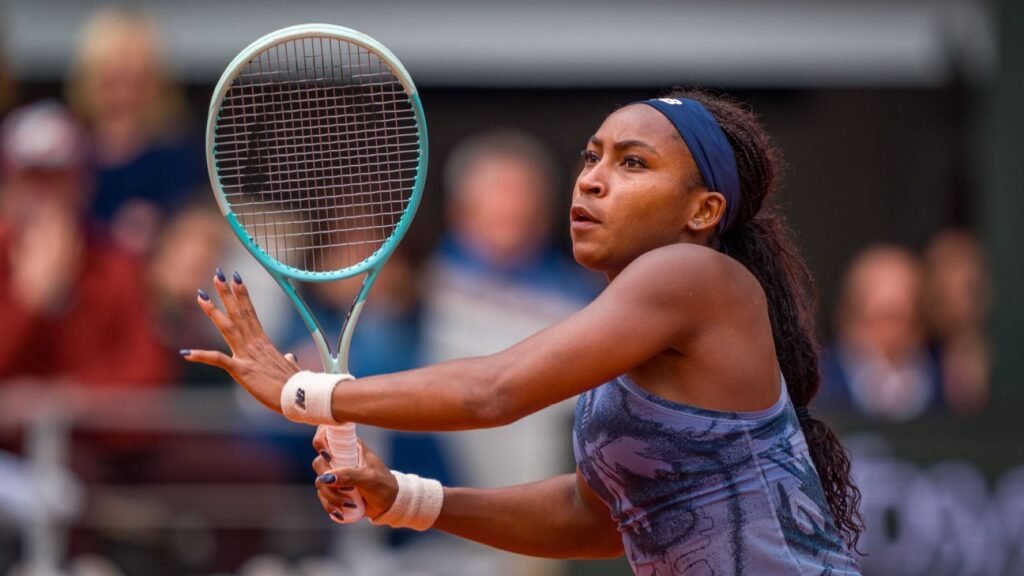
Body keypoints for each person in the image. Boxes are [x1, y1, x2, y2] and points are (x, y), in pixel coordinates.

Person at [184, 90, 864, 574]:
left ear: (703, 211)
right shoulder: (634, 327)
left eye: (632, 163)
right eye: (591, 156)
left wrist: (305, 392)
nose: (593, 180)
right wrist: (410, 499)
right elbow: (590, 516)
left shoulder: (692, 277)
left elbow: (495, 390)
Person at [65, 6, 205, 255]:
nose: (124, 94)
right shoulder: (68, 148)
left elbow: (195, 217)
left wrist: (164, 228)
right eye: (113, 79)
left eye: (135, 81)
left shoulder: (176, 151)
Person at [819, 246, 942, 421]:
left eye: (909, 317)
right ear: (851, 317)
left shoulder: (946, 381)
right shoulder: (821, 381)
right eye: (886, 317)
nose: (896, 332)